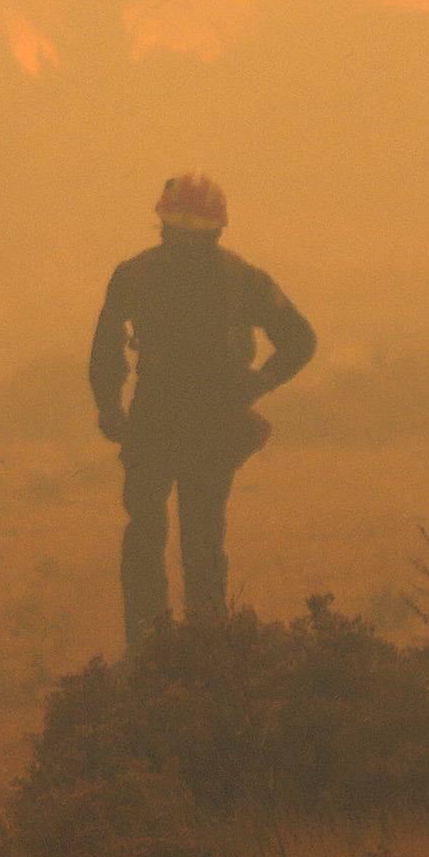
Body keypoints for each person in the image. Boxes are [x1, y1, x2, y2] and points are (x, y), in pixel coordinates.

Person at [87, 172, 314, 652]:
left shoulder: (138, 274)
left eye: (192, 233)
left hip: (166, 423)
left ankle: (154, 651)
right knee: (198, 539)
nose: (186, 242)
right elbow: (298, 340)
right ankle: (201, 654)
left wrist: (111, 410)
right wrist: (256, 386)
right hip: (200, 425)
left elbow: (106, 351)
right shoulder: (240, 278)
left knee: (162, 535)